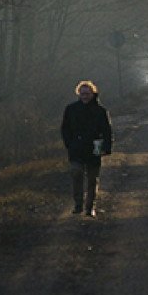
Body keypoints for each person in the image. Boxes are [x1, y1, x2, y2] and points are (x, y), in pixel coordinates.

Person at [60, 80, 113, 217]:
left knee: (92, 179)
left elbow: (107, 131)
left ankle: (90, 207)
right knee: (76, 174)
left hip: (94, 149)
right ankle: (78, 204)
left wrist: (107, 148)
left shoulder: (101, 111)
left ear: (93, 93)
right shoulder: (71, 109)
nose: (85, 96)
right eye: (82, 93)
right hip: (76, 149)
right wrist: (69, 144)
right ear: (78, 93)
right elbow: (65, 129)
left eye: (87, 93)